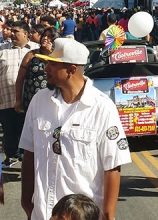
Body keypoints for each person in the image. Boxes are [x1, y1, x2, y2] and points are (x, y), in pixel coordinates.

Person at [19, 39, 131, 220]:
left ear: (71, 70)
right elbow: (29, 153)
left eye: (53, 64)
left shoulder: (102, 107)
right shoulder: (39, 101)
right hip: (43, 214)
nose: (46, 68)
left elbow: (113, 167)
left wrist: (109, 216)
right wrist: (26, 203)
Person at [0, 21, 39, 168]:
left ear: (25, 33)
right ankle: (11, 156)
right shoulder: (1, 49)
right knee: (9, 130)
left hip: (29, 101)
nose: (11, 34)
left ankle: (26, 159)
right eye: (11, 30)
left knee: (26, 130)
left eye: (15, 31)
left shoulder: (36, 50)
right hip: (6, 99)